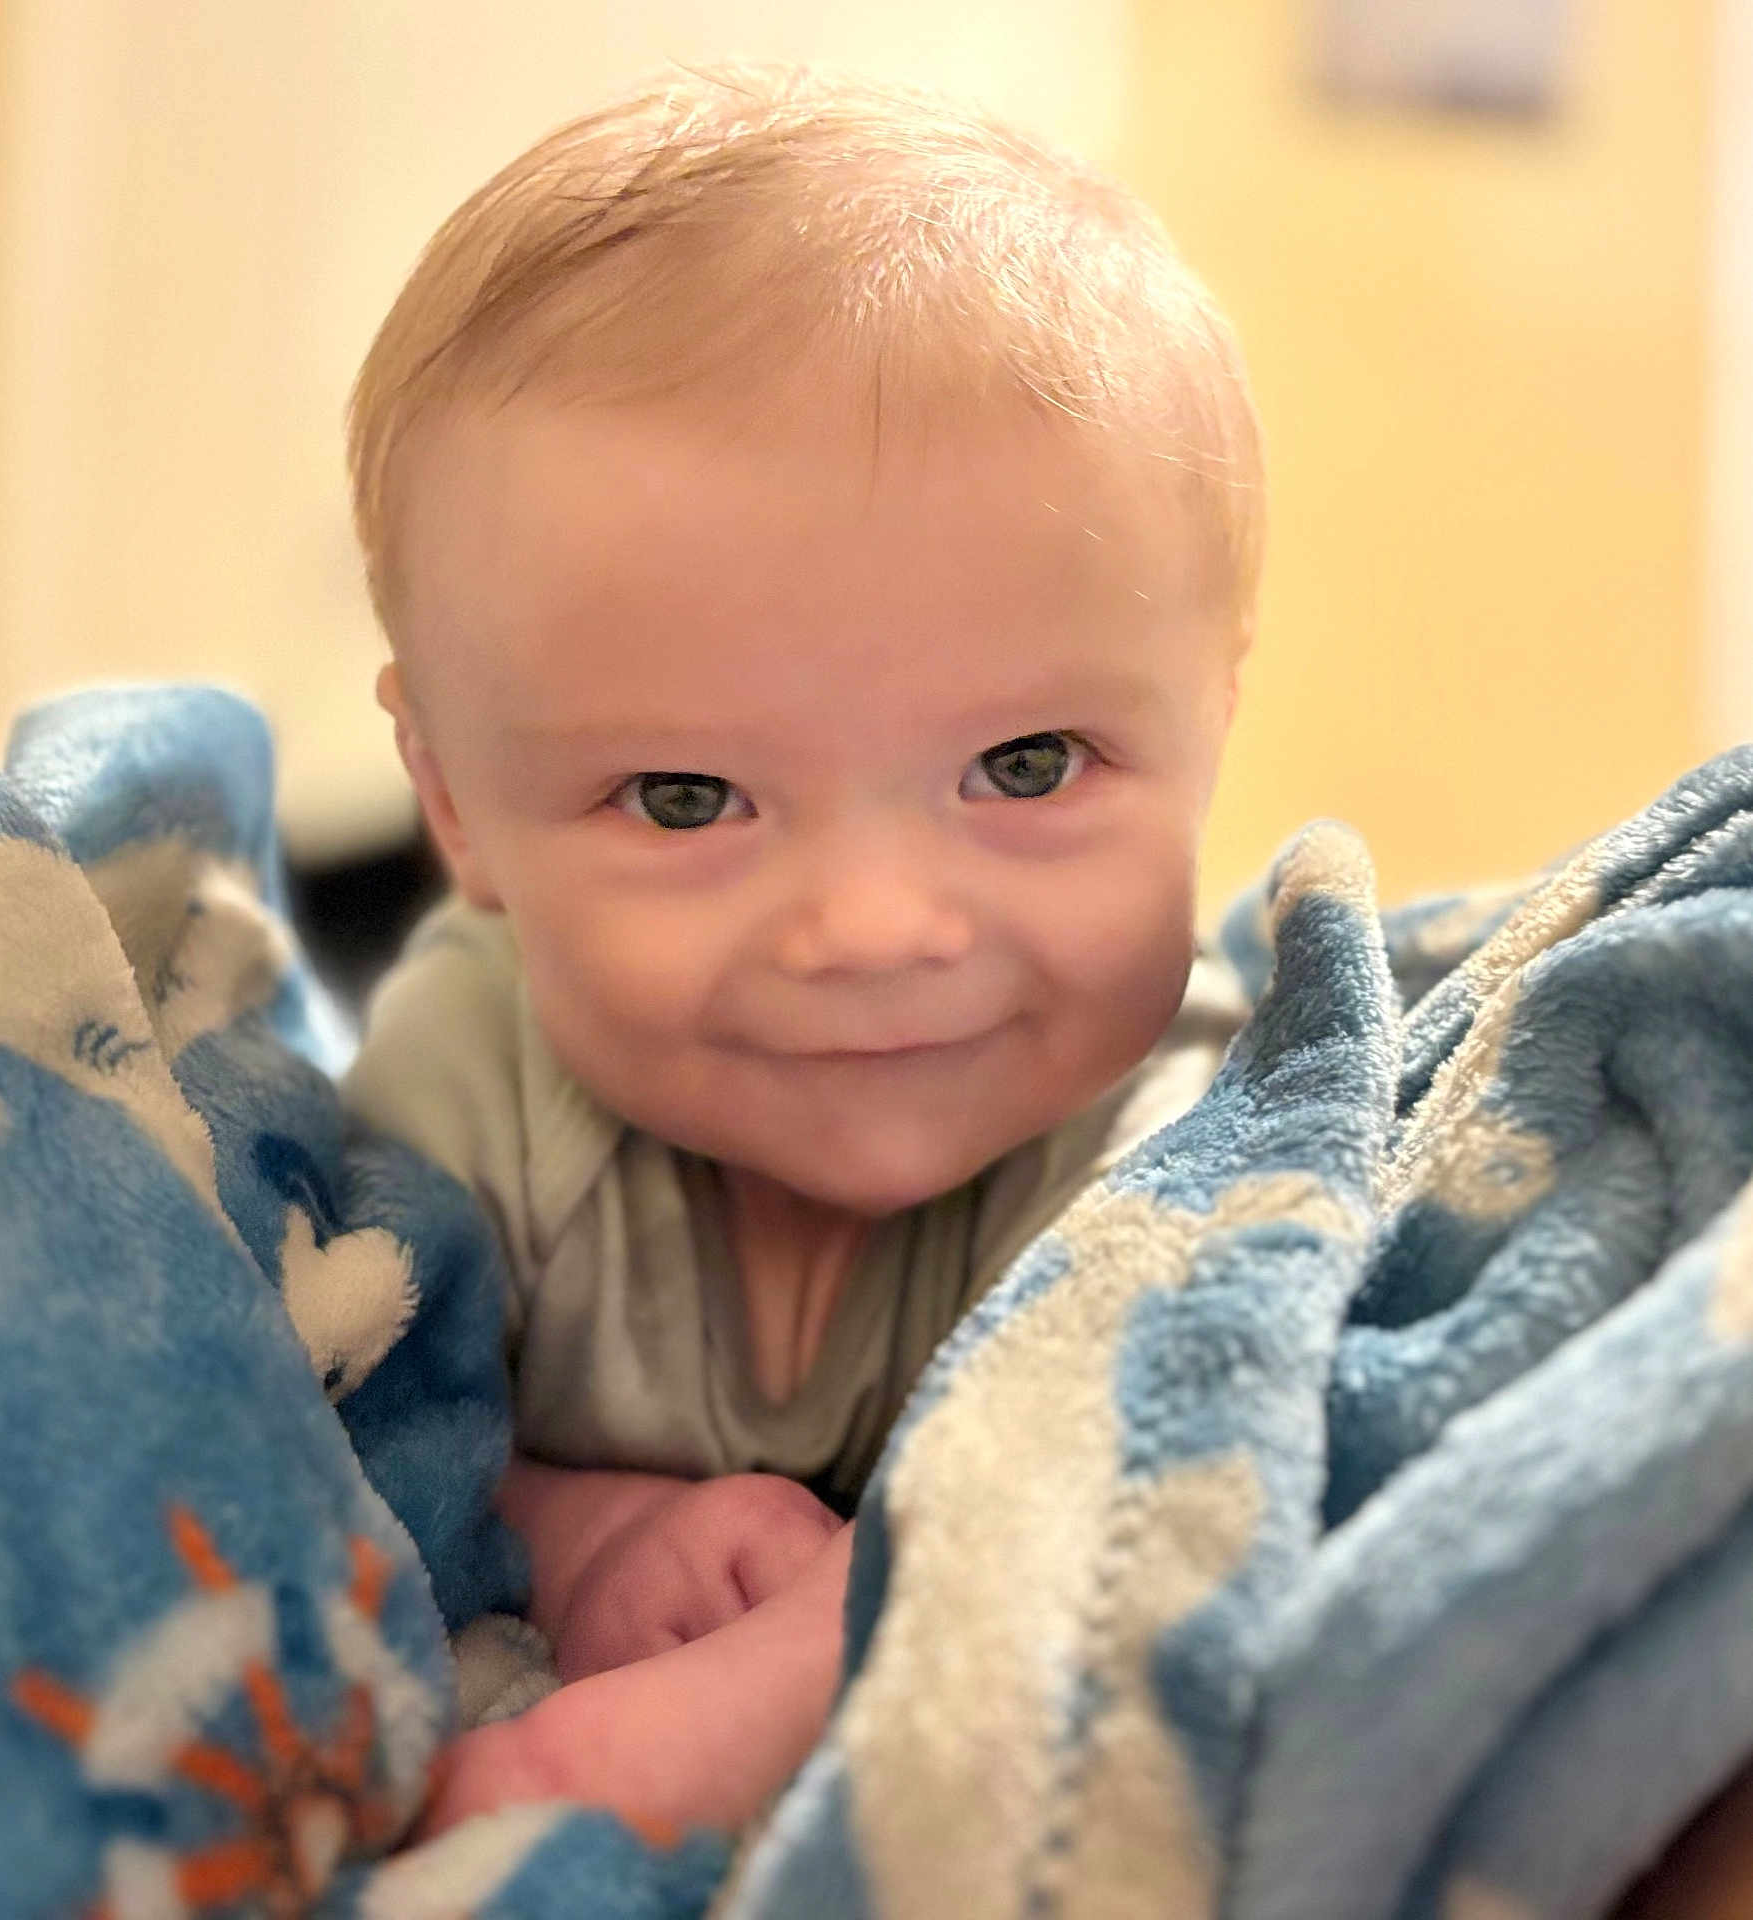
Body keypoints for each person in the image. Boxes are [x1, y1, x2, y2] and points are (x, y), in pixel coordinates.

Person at [340, 63, 1262, 1839]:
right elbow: (357, 1438)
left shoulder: (1181, 1133)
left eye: (1024, 767)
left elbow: (1098, 1523)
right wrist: (584, 1524)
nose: (872, 932)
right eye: (686, 799)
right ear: (454, 808)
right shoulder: (461, 1092)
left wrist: (661, 1739)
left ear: (1213, 724)